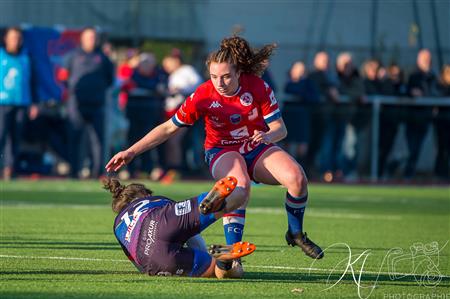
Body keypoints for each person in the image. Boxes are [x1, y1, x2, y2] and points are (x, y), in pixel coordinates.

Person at [106, 36, 324, 274]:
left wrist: (268, 137)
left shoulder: (258, 86)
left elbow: (280, 128)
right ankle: (232, 251)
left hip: (256, 146)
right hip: (222, 150)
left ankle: (296, 233)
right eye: (214, 76)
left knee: (297, 178)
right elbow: (168, 127)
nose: (219, 82)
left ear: (239, 72)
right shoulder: (203, 95)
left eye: (226, 76)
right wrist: (131, 151)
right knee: (239, 187)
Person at [104, 175, 255, 278]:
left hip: (149, 255)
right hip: (160, 218)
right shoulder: (155, 200)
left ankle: (223, 263)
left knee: (220, 271)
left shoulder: (117, 225)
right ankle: (209, 202)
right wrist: (202, 250)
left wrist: (154, 267)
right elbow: (191, 233)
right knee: (239, 195)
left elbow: (137, 263)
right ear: (144, 194)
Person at [62, 27, 114, 178]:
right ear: (82, 39)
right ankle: (74, 171)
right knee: (75, 138)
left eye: (94, 37)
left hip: (97, 104)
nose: (92, 40)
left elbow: (110, 79)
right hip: (76, 105)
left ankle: (97, 172)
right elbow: (63, 77)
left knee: (97, 140)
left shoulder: (103, 58)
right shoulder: (72, 56)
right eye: (89, 37)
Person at [0, 27, 34, 180]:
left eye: (18, 38)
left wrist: (34, 103)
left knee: (16, 137)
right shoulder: (1, 56)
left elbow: (33, 82)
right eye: (12, 37)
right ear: (5, 39)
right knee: (2, 135)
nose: (15, 41)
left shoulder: (26, 57)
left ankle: (10, 168)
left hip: (21, 103)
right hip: (2, 103)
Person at [405, 49, 439, 179]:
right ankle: (404, 171)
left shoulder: (432, 77)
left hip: (425, 119)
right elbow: (408, 91)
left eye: (429, 59)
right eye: (425, 59)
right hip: (412, 118)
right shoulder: (413, 76)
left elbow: (436, 93)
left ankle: (409, 174)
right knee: (411, 150)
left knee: (417, 150)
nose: (428, 62)